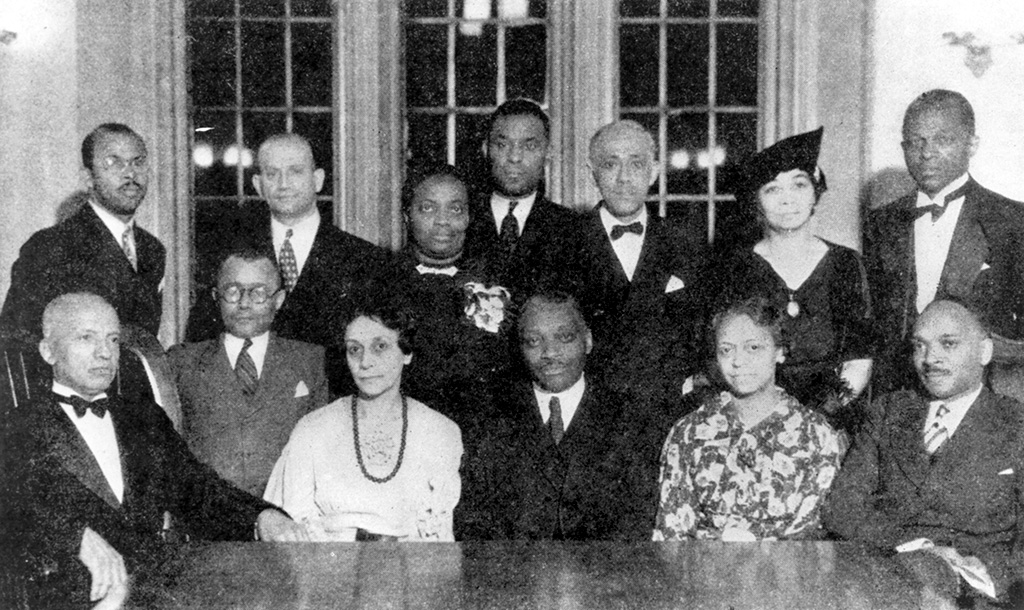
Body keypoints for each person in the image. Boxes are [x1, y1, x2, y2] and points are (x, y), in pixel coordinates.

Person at [6, 293, 305, 608]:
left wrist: (260, 517)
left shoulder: (142, 417)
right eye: (86, 338)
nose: (104, 353)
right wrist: (76, 537)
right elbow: (11, 509)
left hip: (154, 596)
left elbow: (197, 488)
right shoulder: (17, 427)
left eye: (113, 340)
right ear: (48, 351)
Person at [823, 299, 1024, 604]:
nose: (930, 359)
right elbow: (841, 507)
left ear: (984, 352)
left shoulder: (1016, 424)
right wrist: (917, 547)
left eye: (948, 344)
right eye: (919, 346)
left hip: (979, 592)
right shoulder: (888, 412)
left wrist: (994, 572)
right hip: (889, 571)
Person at [184, 132, 395, 394]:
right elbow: (202, 343)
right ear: (258, 185)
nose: (283, 184)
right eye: (272, 174)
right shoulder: (228, 256)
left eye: (295, 172)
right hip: (251, 409)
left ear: (317, 180)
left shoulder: (365, 260)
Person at [713, 127, 873, 430]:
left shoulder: (844, 264)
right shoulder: (735, 267)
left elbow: (859, 359)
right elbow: (722, 356)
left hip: (831, 421)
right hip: (753, 418)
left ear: (816, 192)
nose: (787, 200)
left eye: (799, 185)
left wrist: (813, 419)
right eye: (772, 189)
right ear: (756, 202)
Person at [864, 90, 1024, 392]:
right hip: (898, 394)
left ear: (972, 144)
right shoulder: (881, 223)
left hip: (984, 395)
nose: (927, 153)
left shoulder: (1011, 221)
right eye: (916, 142)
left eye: (943, 140)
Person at [456, 292, 649, 541]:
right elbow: (474, 524)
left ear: (588, 340)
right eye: (534, 341)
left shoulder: (629, 418)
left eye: (564, 337)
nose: (550, 353)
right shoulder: (490, 418)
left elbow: (638, 522)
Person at [264, 302, 462, 541]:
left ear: (407, 353)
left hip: (412, 571)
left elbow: (439, 536)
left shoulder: (440, 431)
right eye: (355, 349)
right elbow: (292, 527)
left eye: (380, 346)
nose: (365, 362)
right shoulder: (313, 429)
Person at [653, 297, 843, 541]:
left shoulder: (815, 435)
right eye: (726, 350)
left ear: (780, 351)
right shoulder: (689, 432)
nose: (738, 362)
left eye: (753, 348)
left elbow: (812, 537)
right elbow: (671, 536)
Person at [576, 120, 708, 426]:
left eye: (636, 164)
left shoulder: (685, 242)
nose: (624, 178)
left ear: (655, 171)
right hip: (592, 418)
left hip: (671, 414)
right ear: (591, 172)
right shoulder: (565, 243)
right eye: (610, 164)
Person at [169, 247, 329, 496]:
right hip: (207, 521)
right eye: (232, 291)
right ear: (216, 296)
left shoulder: (310, 361)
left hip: (286, 516)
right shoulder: (182, 361)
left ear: (279, 299)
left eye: (258, 293)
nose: (244, 303)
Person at [1, 123, 165, 339]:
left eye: (138, 161)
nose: (130, 173)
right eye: (113, 162)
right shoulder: (50, 246)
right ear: (88, 178)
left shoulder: (152, 249)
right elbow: (16, 339)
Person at [394, 163, 513, 432]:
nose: (443, 220)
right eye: (428, 208)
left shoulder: (498, 280)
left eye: (455, 209)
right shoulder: (381, 281)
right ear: (407, 215)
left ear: (469, 217)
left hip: (481, 434)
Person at [462, 98, 583, 301]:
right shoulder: (461, 221)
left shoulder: (573, 230)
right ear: (486, 149)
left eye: (529, 146)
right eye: (502, 144)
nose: (515, 157)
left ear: (548, 152)